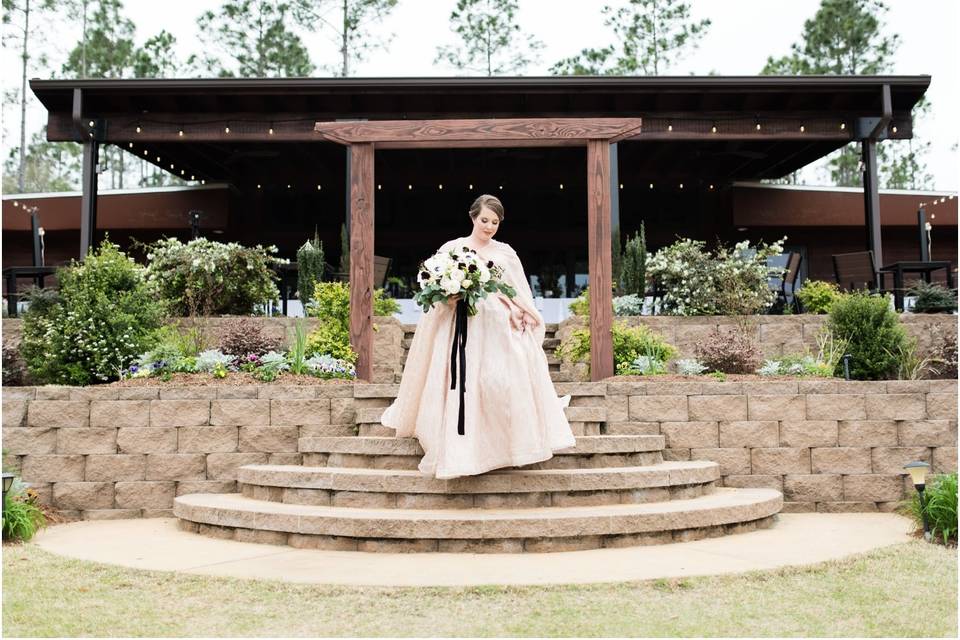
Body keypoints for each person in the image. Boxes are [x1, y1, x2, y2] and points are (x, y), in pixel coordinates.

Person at [380, 194, 576, 479]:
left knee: (497, 382)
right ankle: (461, 446)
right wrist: (450, 295)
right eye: (485, 220)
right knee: (461, 382)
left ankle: (503, 443)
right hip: (461, 326)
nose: (489, 227)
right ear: (473, 217)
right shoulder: (453, 248)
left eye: (495, 222)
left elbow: (517, 291)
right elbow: (433, 285)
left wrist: (520, 311)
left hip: (496, 328)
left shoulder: (505, 252)